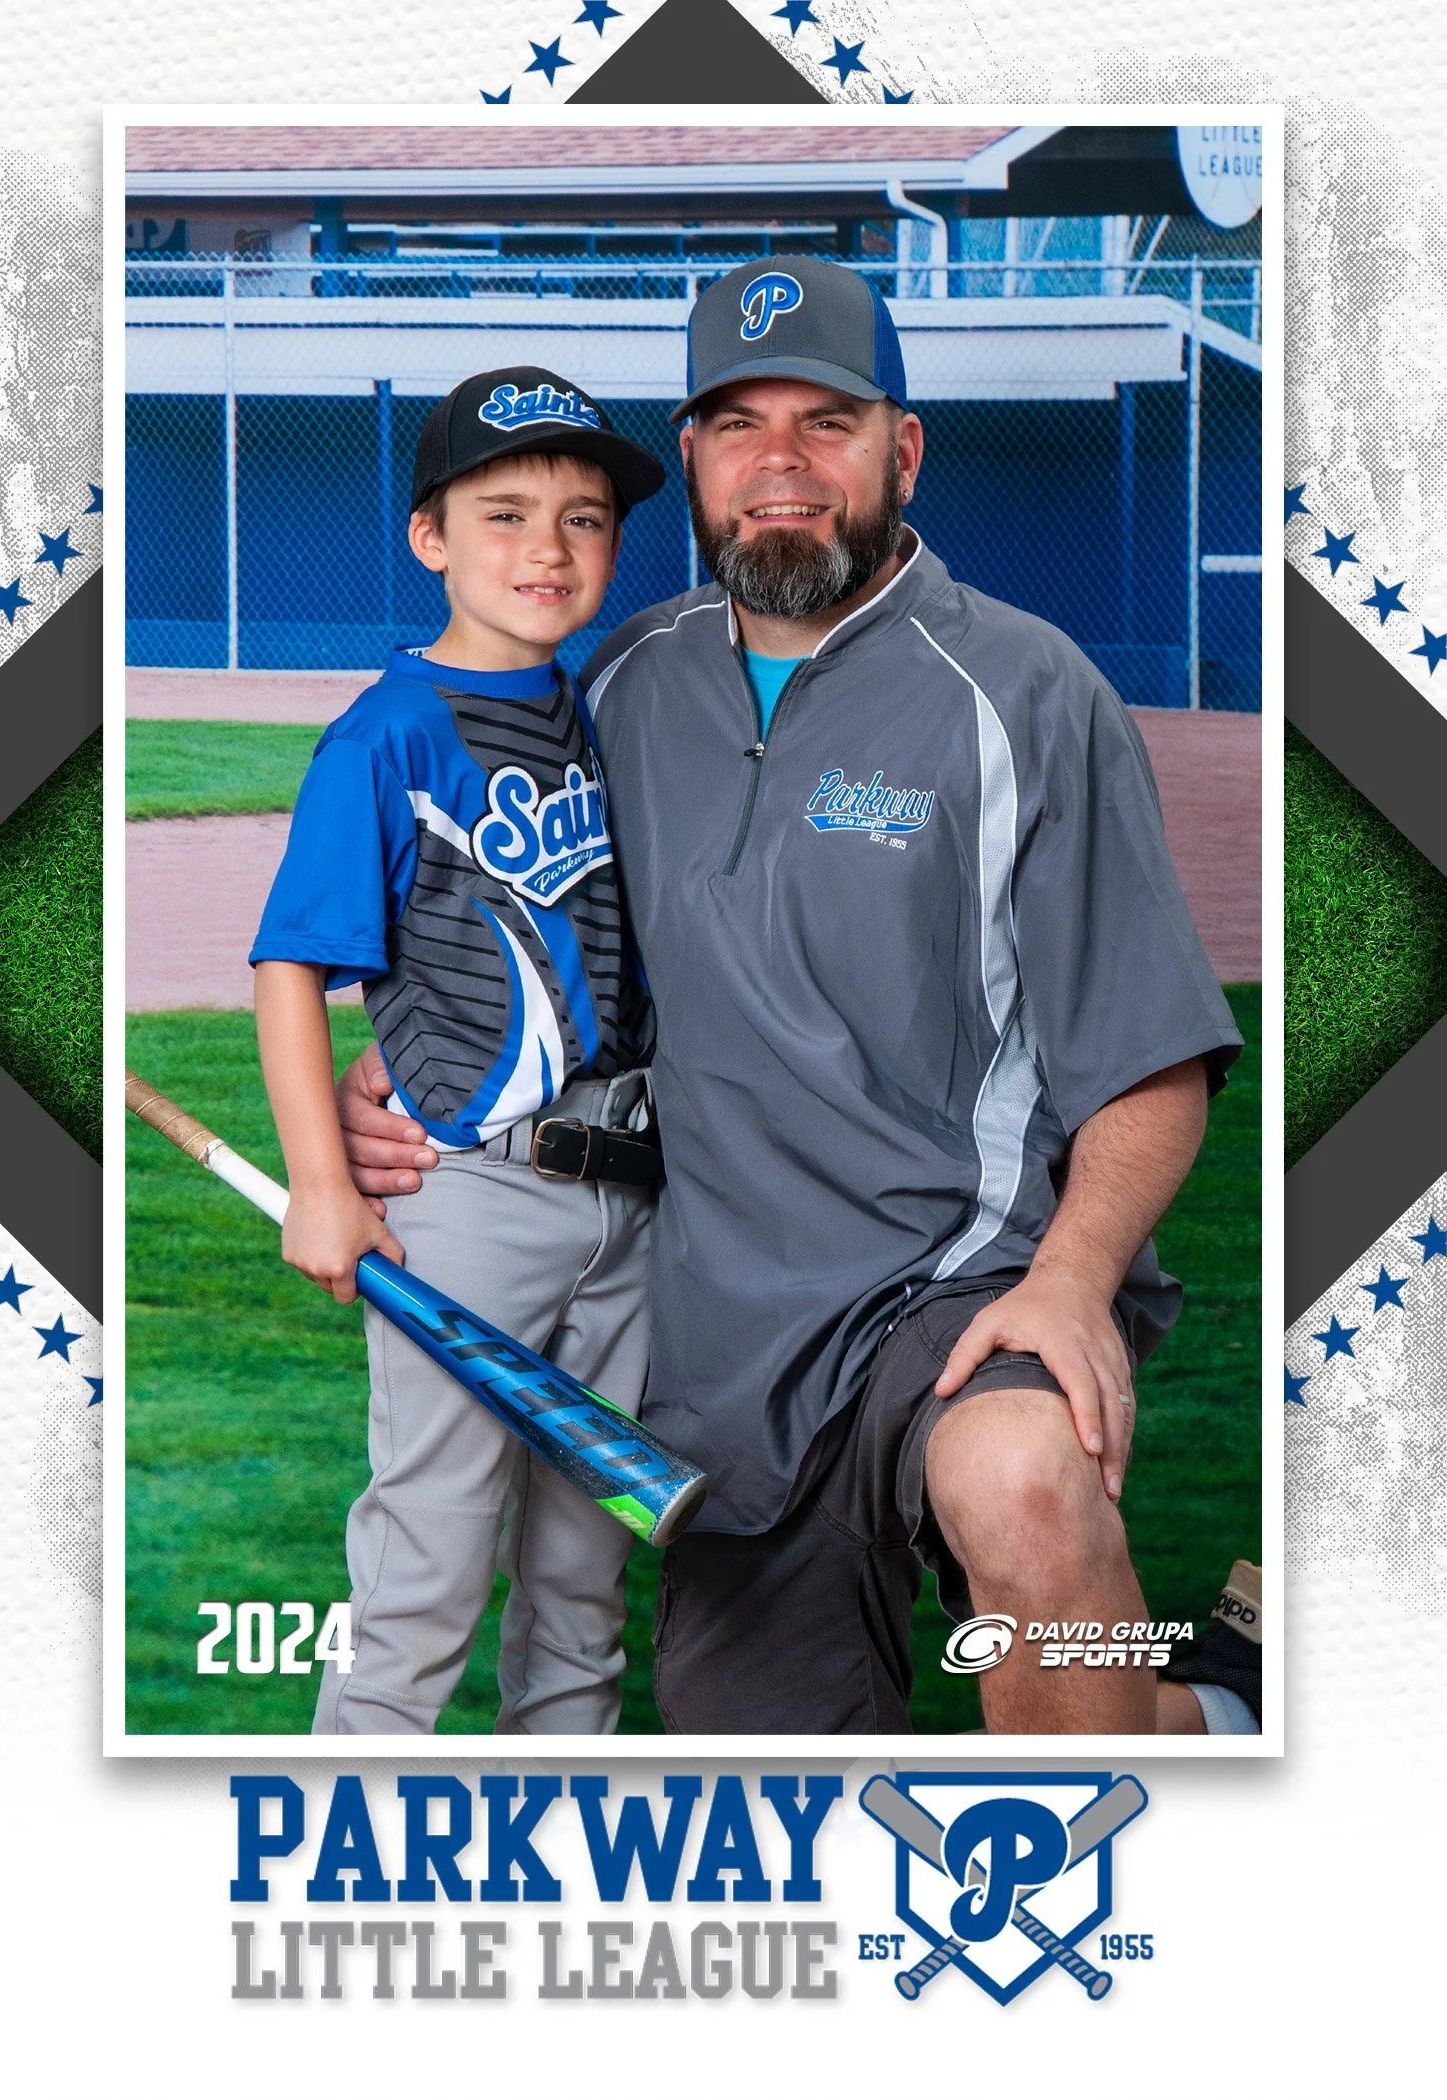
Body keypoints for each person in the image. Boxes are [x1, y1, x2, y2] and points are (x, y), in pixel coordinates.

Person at [337, 260, 1257, 1736]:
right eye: (737, 424)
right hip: (717, 1343)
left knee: (1021, 1476)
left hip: (957, 1276)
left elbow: (1151, 1054)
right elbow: (539, 955)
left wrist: (1073, 1283)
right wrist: (401, 1072)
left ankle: (1136, 1904)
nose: (781, 464)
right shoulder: (622, 684)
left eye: (827, 422)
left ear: (902, 449)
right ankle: (1202, 1708)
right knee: (772, 1799)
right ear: (691, 460)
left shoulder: (1024, 688)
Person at [249, 366, 667, 1734]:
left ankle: (564, 1858)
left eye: (585, 518)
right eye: (504, 514)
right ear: (428, 536)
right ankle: (340, 1866)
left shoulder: (599, 710)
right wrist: (324, 1179)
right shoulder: (385, 736)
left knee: (583, 1577)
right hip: (476, 1205)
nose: (548, 549)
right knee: (427, 1565)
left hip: (635, 1208)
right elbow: (289, 966)